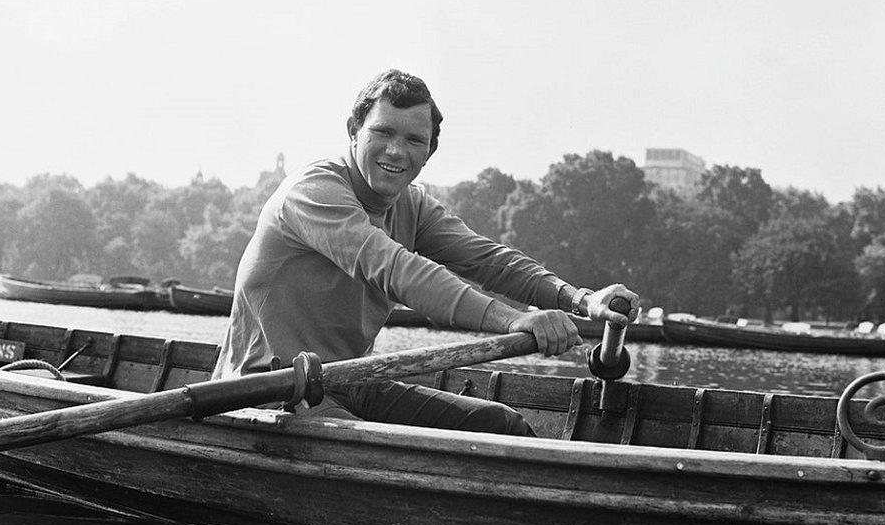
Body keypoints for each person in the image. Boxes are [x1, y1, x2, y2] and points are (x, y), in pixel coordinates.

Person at [213, 69, 639, 436]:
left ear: (429, 151)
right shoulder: (314, 193)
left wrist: (581, 299)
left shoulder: (412, 206)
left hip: (353, 379)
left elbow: (488, 260)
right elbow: (398, 270)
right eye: (383, 132)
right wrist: (514, 319)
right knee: (361, 448)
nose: (397, 150)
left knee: (500, 425)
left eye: (414, 140)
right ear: (353, 131)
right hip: (269, 389)